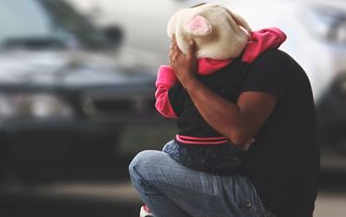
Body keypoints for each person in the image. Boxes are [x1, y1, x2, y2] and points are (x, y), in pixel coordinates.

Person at [129, 29, 320, 216]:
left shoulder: (271, 64)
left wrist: (189, 79)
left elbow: (238, 131)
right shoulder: (239, 70)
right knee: (170, 156)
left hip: (266, 201)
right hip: (257, 192)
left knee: (143, 166)